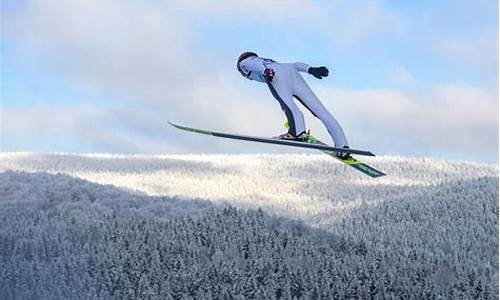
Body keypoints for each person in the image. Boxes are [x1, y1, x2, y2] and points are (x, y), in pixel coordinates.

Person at [236, 51, 350, 156]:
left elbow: (253, 65)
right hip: (292, 73)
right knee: (321, 111)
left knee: (289, 106)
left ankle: (297, 132)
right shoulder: (275, 63)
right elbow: (295, 65)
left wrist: (265, 71)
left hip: (276, 76)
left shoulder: (244, 63)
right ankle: (342, 145)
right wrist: (311, 70)